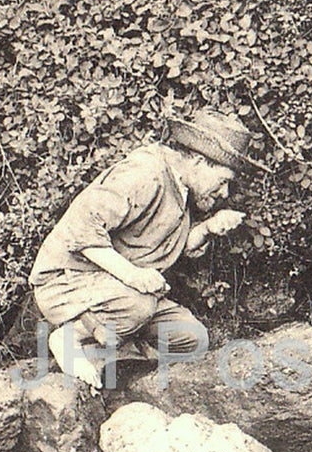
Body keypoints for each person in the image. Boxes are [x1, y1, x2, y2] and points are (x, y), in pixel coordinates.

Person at [28, 110, 268, 387]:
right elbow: (82, 227)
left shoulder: (182, 187)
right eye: (223, 181)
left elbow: (166, 246)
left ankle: (108, 351)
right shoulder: (144, 173)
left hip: (119, 294)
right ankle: (69, 337)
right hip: (67, 282)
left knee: (192, 338)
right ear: (200, 161)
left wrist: (207, 229)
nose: (224, 193)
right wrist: (134, 276)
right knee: (138, 306)